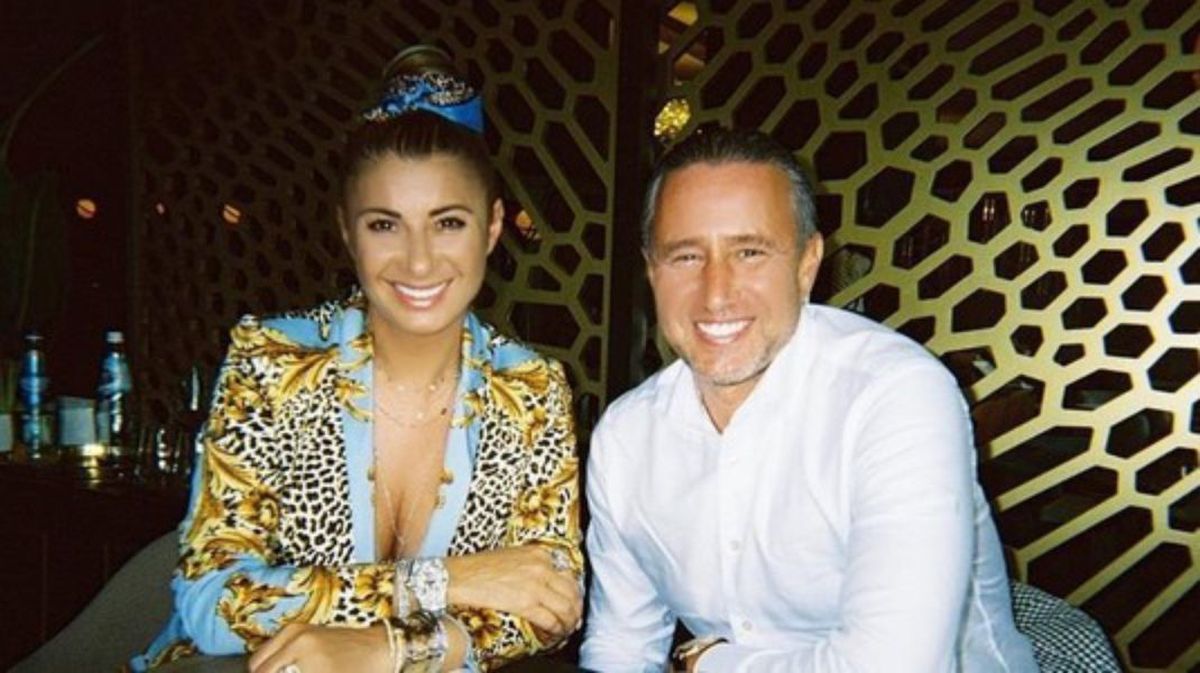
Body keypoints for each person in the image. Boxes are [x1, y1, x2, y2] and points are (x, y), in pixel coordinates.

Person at [131, 45, 583, 673]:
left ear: (492, 227)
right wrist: (445, 582)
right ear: (348, 231)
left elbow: (551, 605)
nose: (419, 261)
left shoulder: (531, 388)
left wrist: (393, 649)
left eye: (448, 223)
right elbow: (211, 603)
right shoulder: (273, 362)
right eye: (384, 225)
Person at [580, 127, 1037, 672]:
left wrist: (709, 665)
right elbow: (621, 646)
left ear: (807, 264)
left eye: (750, 252)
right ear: (652, 271)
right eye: (685, 257)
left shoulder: (894, 396)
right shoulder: (627, 438)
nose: (716, 292)